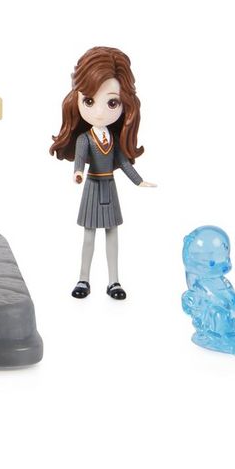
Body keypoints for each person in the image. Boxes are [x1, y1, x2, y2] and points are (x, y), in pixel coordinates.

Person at [49, 47, 156, 301]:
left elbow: (124, 163)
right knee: (89, 236)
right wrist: (77, 173)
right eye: (89, 101)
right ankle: (83, 279)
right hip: (92, 188)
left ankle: (113, 281)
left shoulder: (114, 140)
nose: (99, 112)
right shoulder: (85, 139)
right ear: (76, 98)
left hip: (110, 188)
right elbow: (80, 162)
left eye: (111, 103)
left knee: (112, 235)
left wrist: (139, 181)